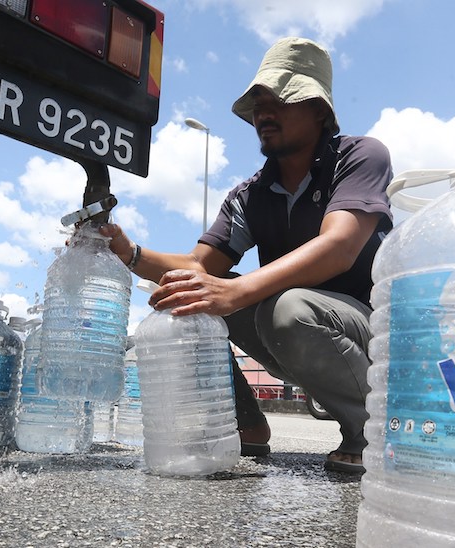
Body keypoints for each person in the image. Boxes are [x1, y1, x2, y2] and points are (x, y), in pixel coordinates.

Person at [100, 36, 393, 474]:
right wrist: (128, 251)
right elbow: (200, 267)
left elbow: (340, 246)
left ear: (319, 109)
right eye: (258, 103)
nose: (264, 112)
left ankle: (372, 430)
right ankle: (247, 424)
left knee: (286, 307)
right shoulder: (251, 194)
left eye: (280, 98)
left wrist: (235, 293)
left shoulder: (359, 157)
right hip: (292, 330)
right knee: (191, 295)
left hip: (369, 337)